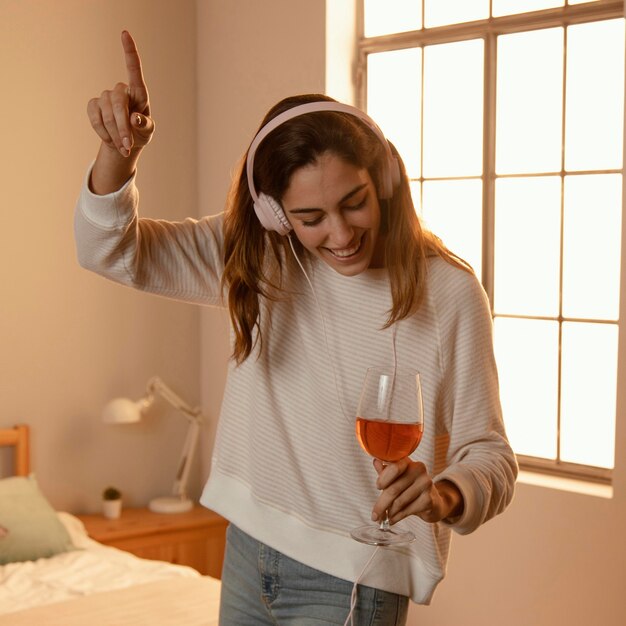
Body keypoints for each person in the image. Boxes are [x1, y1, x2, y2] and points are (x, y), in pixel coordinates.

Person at [76, 31, 517, 626]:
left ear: (384, 178)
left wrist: (445, 494)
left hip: (353, 580)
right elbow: (111, 251)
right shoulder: (257, 255)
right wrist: (119, 155)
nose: (340, 234)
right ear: (275, 214)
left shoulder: (450, 294)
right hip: (246, 548)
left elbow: (489, 452)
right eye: (311, 218)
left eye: (355, 202)